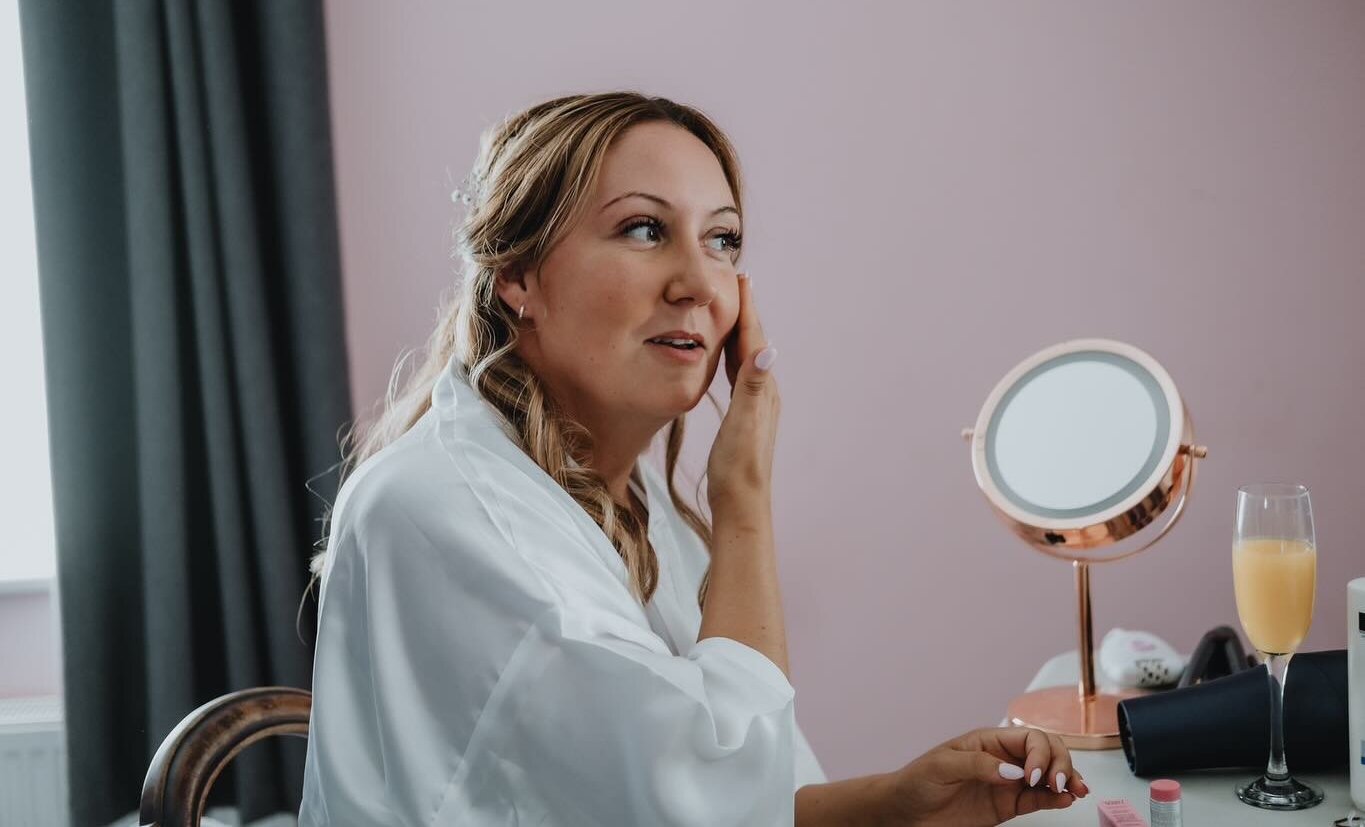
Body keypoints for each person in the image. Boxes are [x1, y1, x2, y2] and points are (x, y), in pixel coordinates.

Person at [297, 92, 1088, 825]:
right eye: (643, 228)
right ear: (517, 277)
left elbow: (711, 801)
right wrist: (742, 501)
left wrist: (899, 802)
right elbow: (715, 775)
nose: (698, 284)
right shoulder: (444, 508)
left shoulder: (620, 492)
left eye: (721, 239)